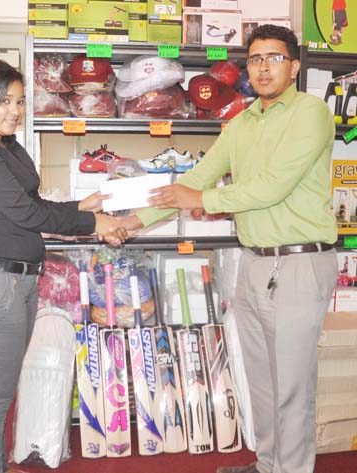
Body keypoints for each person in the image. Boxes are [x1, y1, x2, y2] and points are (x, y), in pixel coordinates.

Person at [119, 25, 338, 473]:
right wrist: (130, 223)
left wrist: (201, 200)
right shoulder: (240, 123)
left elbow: (271, 187)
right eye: (255, 59)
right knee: (261, 380)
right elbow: (194, 182)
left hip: (300, 262)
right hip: (255, 262)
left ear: (294, 67)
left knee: (292, 386)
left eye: (274, 58)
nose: (263, 67)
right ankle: (267, 463)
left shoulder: (311, 114)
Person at [0, 59, 127, 473]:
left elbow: (32, 206)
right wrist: (93, 223)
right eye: (4, 100)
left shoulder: (3, 144)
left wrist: (82, 205)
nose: (15, 109)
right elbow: (27, 215)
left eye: (21, 101)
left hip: (17, 283)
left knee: (2, 392)